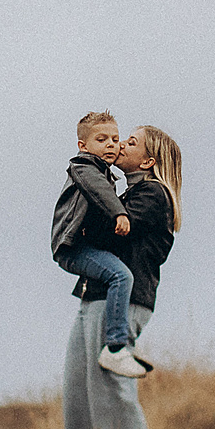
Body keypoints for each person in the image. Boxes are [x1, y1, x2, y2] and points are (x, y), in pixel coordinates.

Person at [63, 123, 182, 429]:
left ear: (147, 160)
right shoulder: (127, 192)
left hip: (123, 304)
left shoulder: (151, 194)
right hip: (92, 298)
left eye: (129, 142)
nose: (119, 145)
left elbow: (103, 233)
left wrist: (89, 176)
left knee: (112, 393)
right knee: (79, 394)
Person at [52, 111, 144, 376]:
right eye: (102, 139)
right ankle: (115, 348)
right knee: (121, 276)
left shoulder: (103, 173)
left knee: (116, 274)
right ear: (83, 146)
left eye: (115, 139)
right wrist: (120, 212)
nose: (111, 145)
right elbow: (97, 189)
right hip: (72, 248)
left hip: (84, 246)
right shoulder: (83, 167)